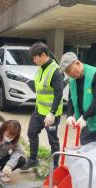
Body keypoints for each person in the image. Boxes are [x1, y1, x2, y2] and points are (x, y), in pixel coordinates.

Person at [59, 52, 96, 148]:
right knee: (86, 154)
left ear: (77, 63)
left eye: (70, 70)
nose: (69, 74)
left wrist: (84, 117)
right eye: (67, 72)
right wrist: (69, 115)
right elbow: (71, 99)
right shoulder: (72, 80)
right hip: (87, 122)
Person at [21, 42, 64, 170]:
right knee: (31, 132)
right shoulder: (41, 69)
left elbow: (59, 94)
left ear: (43, 55)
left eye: (35, 57)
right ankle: (33, 159)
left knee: (53, 140)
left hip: (51, 114)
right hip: (39, 110)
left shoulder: (56, 71)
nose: (34, 60)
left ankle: (56, 166)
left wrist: (52, 113)